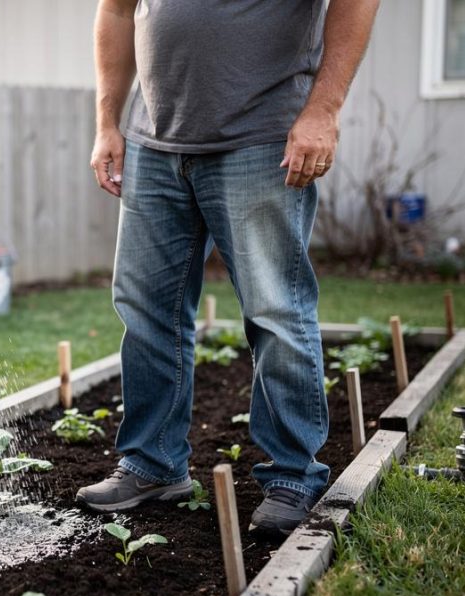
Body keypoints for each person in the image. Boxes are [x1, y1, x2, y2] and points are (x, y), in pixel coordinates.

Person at [79, 0, 380, 537]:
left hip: (262, 139)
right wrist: (107, 122)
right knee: (145, 310)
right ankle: (152, 464)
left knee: (274, 309)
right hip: (153, 142)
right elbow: (118, 11)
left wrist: (323, 110)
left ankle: (293, 476)